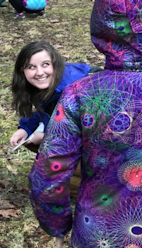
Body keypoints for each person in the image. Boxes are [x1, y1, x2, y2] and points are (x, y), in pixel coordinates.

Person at [28, 0, 142, 248]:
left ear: (103, 22)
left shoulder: (82, 93)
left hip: (100, 245)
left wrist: (56, 225)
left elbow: (49, 171)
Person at [9, 41, 96, 197]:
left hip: (106, 151)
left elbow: (94, 134)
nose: (40, 72)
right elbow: (47, 111)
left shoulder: (79, 89)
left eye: (45, 64)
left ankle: (97, 186)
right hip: (78, 145)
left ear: (55, 64)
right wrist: (26, 128)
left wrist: (48, 137)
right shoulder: (50, 85)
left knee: (45, 184)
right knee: (39, 163)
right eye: (31, 67)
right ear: (22, 71)